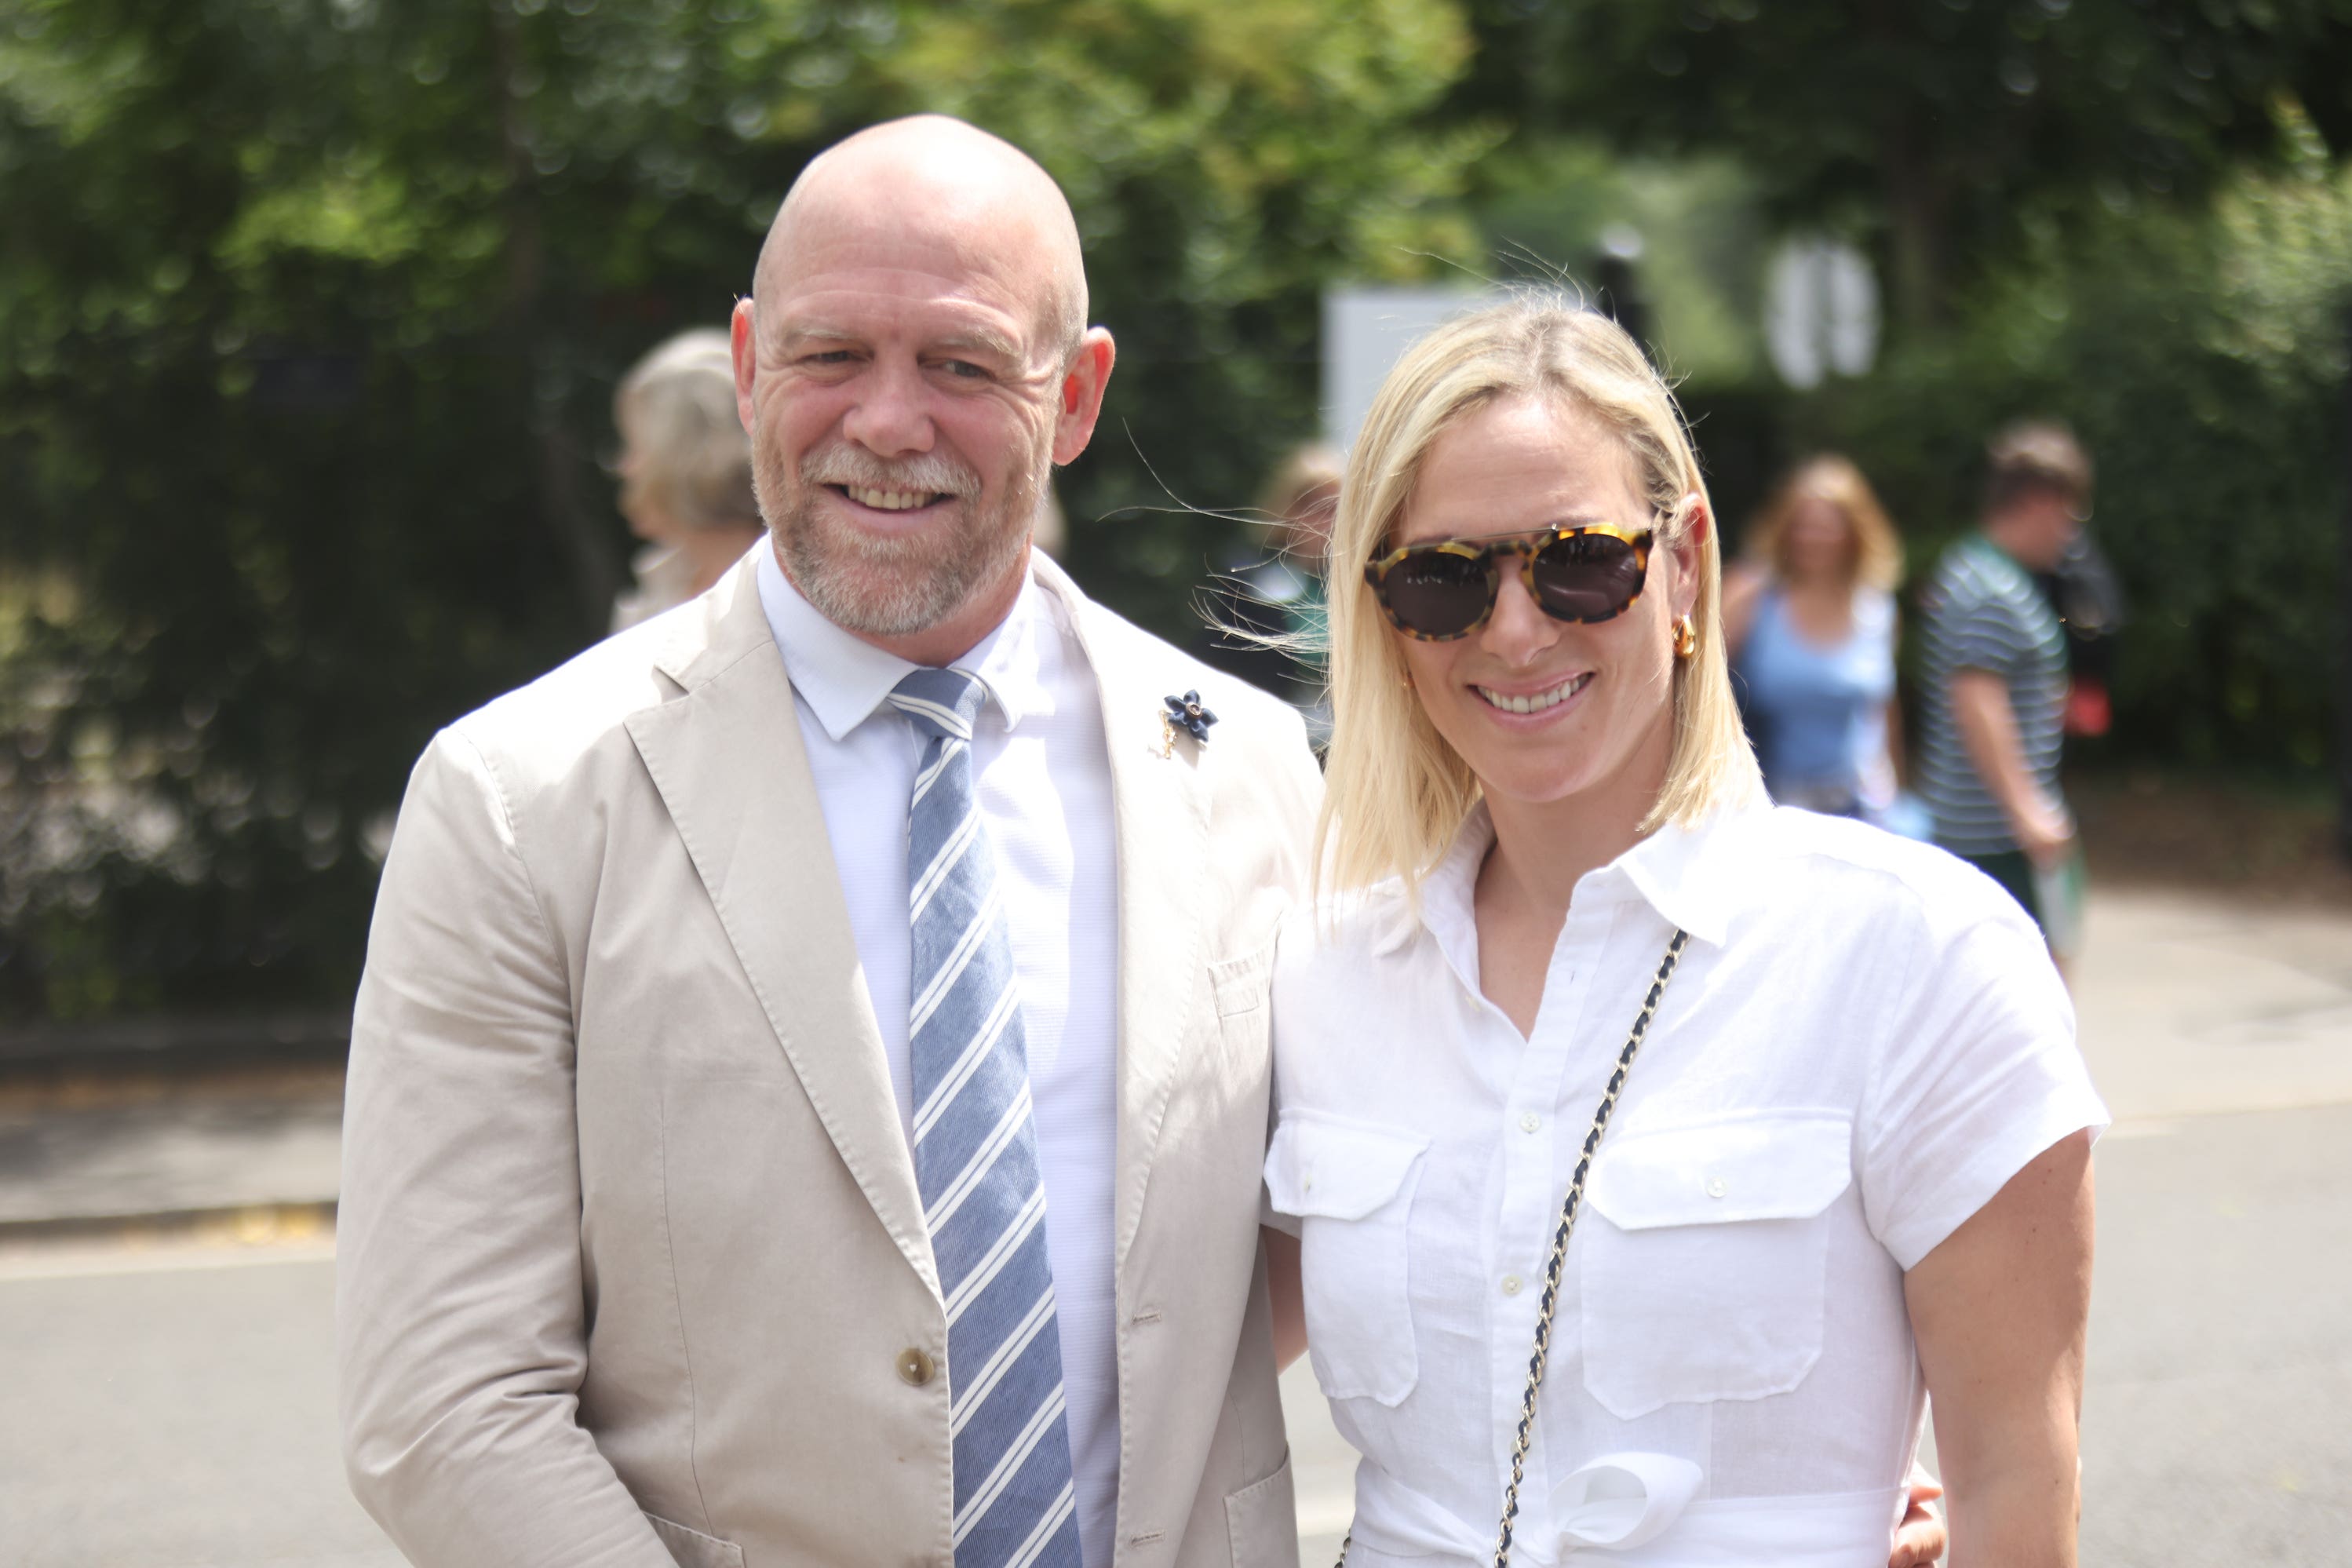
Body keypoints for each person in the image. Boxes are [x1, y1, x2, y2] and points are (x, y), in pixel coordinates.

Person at [338, 116, 1320, 1568]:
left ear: (1077, 394)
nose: (886, 420)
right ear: (747, 365)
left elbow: (1302, 1247)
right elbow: (446, 1405)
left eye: (964, 363)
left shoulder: (1246, 764)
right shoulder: (519, 800)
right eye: (829, 355)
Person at [1265, 298, 2102, 1566]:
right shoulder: (1316, 976)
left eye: (1577, 559)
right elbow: (1152, 1364)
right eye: (1442, 577)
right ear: (1384, 613)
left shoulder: (1918, 957)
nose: (1512, 628)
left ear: (1686, 566)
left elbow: (2014, 1489)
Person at [1916, 421, 2091, 944]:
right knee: (2033, 1001)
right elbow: (1977, 700)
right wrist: (2028, 813)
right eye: (2070, 512)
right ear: (2040, 501)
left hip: (1994, 833)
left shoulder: (1979, 571)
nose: (2071, 531)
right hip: (1994, 841)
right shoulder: (1988, 589)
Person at [1722, 455, 1909, 826]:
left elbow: (1882, 710)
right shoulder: (1752, 597)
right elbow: (1698, 688)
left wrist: (1897, 794)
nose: (1813, 538)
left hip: (1860, 808)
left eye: (1827, 527)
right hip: (1767, 807)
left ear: (1855, 533)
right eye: (1803, 526)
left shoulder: (1877, 610)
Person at [607, 328, 768, 632]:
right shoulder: (654, 592)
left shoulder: (798, 595)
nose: (623, 468)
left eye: (632, 446)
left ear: (685, 456)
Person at [1198, 443, 1344, 734]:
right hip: (1271, 737)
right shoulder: (1246, 587)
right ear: (1287, 510)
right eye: (1313, 507)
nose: (1325, 522)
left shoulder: (1369, 584)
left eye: (1336, 508)